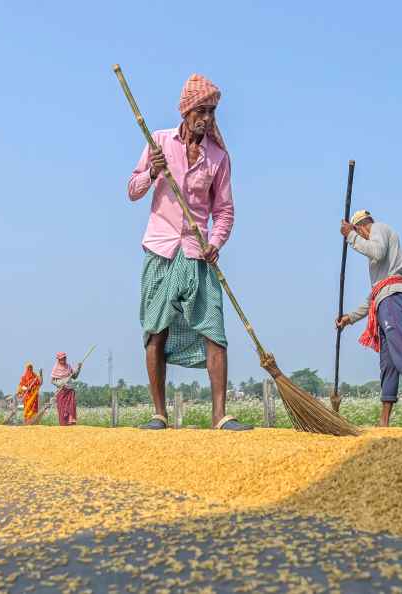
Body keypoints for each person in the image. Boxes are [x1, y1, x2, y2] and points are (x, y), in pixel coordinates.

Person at [127, 73, 251, 431]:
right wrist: (152, 171)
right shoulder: (159, 143)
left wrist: (217, 242)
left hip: (198, 251)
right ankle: (158, 413)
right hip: (161, 249)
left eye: (212, 112)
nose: (207, 118)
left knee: (214, 328)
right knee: (155, 329)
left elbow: (224, 210)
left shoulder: (218, 157)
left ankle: (220, 414)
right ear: (185, 110)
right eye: (201, 110)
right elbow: (132, 190)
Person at [336, 210, 402, 427]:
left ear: (362, 227)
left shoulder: (378, 229)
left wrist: (350, 236)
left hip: (393, 301)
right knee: (389, 364)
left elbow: (376, 251)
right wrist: (350, 318)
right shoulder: (379, 265)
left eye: (359, 233)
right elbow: (374, 295)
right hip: (385, 302)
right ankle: (383, 421)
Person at [51, 352, 81, 426]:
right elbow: (52, 381)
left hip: (69, 390)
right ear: (58, 360)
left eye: (64, 358)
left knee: (71, 406)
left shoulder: (68, 366)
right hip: (61, 391)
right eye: (61, 359)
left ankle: (70, 422)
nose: (63, 360)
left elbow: (74, 376)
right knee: (62, 408)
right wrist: (60, 384)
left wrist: (79, 368)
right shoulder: (56, 368)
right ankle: (63, 423)